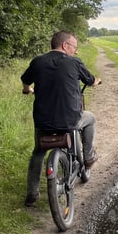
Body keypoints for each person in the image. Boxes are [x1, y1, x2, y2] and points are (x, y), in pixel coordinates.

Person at [21, 31, 101, 207]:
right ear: (65, 45)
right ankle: (87, 158)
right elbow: (90, 79)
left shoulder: (37, 62)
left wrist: (28, 89)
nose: (76, 51)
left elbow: (25, 81)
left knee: (38, 152)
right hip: (70, 120)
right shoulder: (74, 62)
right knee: (91, 118)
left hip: (43, 121)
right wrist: (97, 81)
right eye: (75, 47)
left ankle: (32, 194)